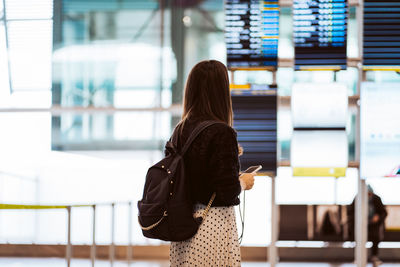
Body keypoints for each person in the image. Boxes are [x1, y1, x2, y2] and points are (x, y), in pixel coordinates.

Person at [169, 60, 255, 266]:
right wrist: (244, 181)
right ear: (221, 92)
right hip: (212, 225)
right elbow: (226, 190)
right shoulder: (222, 132)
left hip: (183, 225)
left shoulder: (179, 131)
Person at [348, 185, 387, 265]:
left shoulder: (376, 199)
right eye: (366, 194)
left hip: (374, 224)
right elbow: (350, 212)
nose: (368, 196)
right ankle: (358, 257)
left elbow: (384, 212)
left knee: (375, 237)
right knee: (359, 239)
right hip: (360, 224)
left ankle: (374, 256)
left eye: (369, 194)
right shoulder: (357, 198)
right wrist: (359, 218)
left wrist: (378, 217)